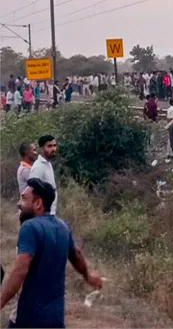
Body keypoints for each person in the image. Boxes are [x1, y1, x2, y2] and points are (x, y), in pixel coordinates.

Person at [0, 178, 103, 328]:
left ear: (38, 203)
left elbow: (19, 271)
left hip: (29, 318)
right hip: (55, 319)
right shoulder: (63, 227)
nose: (19, 204)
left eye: (24, 199)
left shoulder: (30, 227)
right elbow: (76, 255)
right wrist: (88, 275)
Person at [28, 135, 58, 216]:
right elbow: (33, 193)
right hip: (41, 215)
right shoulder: (38, 167)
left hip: (50, 214)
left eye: (54, 146)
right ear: (41, 148)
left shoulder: (48, 164)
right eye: (49, 146)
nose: (53, 149)